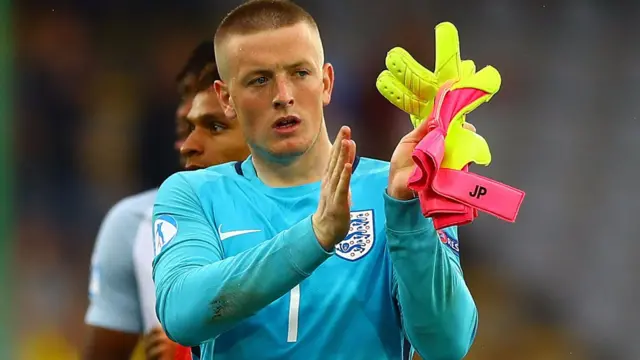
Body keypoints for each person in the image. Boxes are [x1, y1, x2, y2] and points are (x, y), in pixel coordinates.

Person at [152, 1, 478, 359]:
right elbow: (182, 315)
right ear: (226, 98)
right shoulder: (195, 194)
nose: (283, 95)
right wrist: (316, 235)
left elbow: (448, 345)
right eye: (260, 79)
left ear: (326, 82)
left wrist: (407, 212)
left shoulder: (396, 189)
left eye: (300, 73)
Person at [83, 40, 249, 360]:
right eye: (185, 94)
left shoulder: (319, 220)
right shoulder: (135, 225)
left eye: (214, 121)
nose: (184, 111)